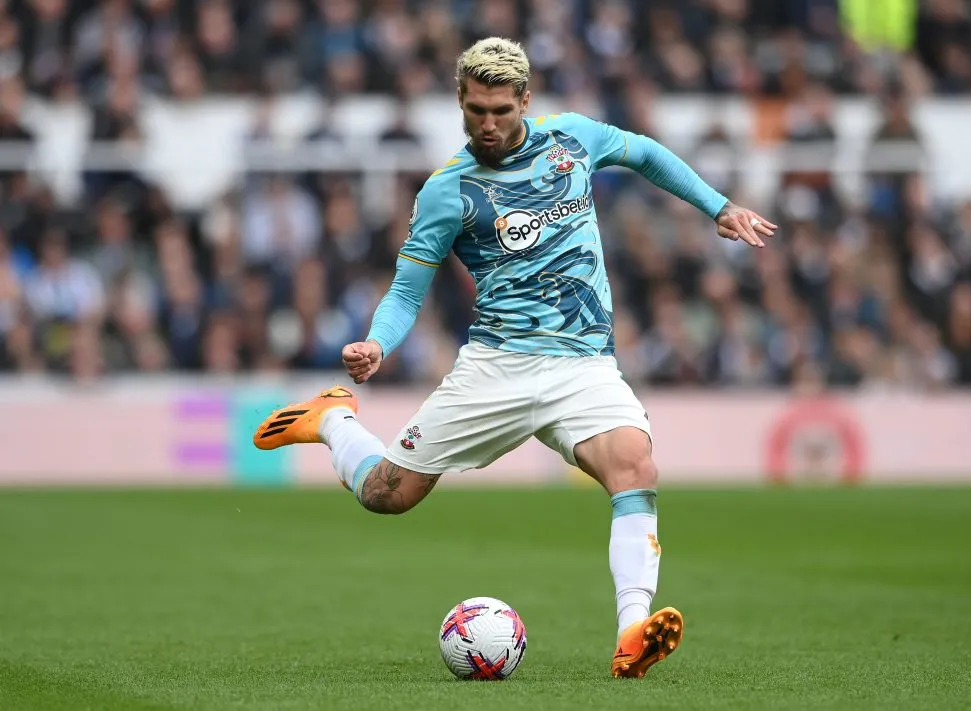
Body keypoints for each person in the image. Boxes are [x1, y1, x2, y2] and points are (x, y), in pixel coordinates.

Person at [253, 37, 775, 678]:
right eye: (476, 110)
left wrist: (718, 208)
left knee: (634, 468)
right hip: (497, 368)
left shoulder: (574, 139)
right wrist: (376, 344)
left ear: (526, 100)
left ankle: (631, 630)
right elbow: (407, 288)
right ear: (460, 103)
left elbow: (644, 154)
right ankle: (333, 419)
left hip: (585, 364)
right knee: (388, 495)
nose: (489, 124)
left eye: (501, 109)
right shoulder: (448, 191)